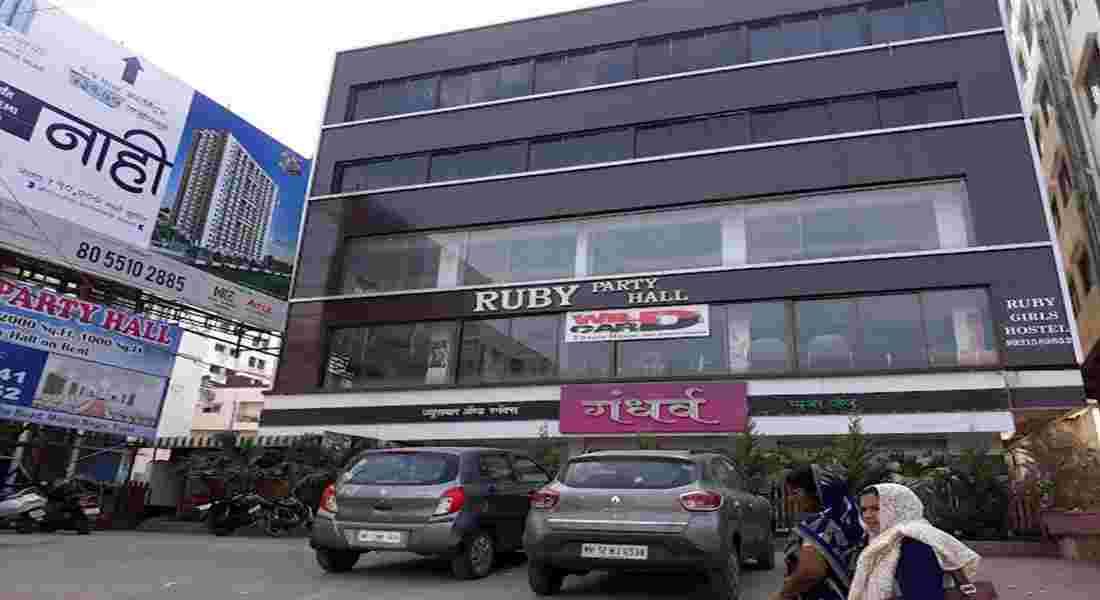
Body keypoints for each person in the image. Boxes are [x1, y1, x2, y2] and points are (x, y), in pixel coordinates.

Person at [849, 483, 981, 600]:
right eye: (864, 509)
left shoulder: (912, 543)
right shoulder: (878, 538)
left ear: (897, 508)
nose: (867, 515)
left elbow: (923, 595)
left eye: (876, 508)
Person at [772, 465, 865, 600]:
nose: (790, 500)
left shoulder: (820, 525)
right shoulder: (851, 519)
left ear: (818, 492)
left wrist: (781, 595)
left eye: (795, 492)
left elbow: (810, 572)